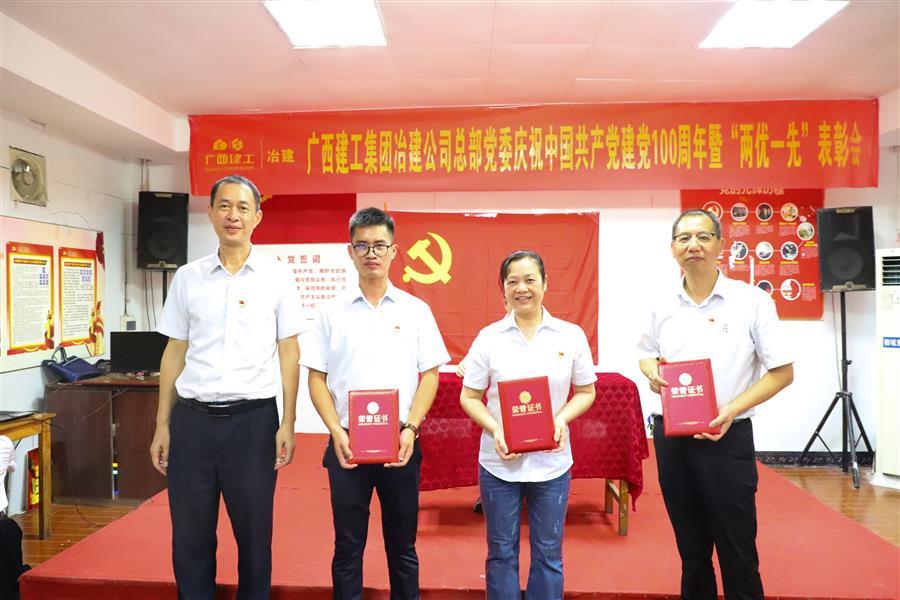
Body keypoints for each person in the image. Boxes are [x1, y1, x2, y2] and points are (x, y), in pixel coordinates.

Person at [149, 174, 302, 600]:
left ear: (257, 216)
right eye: (225, 206)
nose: (233, 215)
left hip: (252, 422)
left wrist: (288, 422)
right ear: (212, 213)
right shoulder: (188, 277)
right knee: (190, 536)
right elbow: (174, 352)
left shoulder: (277, 277)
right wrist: (163, 424)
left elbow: (289, 351)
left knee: (254, 536)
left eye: (243, 207)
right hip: (192, 423)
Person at [637, 209, 794, 600]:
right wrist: (652, 372)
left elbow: (782, 372)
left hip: (728, 436)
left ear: (721, 245)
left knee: (737, 549)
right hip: (672, 437)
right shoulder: (659, 303)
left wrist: (730, 411)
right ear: (672, 248)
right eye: (684, 238)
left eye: (703, 237)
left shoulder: (751, 301)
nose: (693, 245)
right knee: (691, 551)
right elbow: (646, 354)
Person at [302, 207, 450, 600]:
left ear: (394, 250)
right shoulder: (330, 313)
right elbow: (315, 378)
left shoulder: (416, 311)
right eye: (362, 245)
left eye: (380, 245)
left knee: (403, 547)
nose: (371, 253)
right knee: (347, 547)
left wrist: (411, 427)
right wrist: (335, 432)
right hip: (347, 445)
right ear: (349, 251)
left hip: (400, 443)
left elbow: (430, 375)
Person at [459, 250, 596, 599]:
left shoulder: (570, 336)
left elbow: (586, 391)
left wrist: (561, 418)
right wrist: (496, 429)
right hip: (499, 464)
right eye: (513, 282)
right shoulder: (489, 338)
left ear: (545, 283)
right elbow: (469, 397)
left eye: (530, 280)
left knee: (549, 554)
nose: (522, 288)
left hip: (552, 465)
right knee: (501, 553)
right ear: (503, 289)